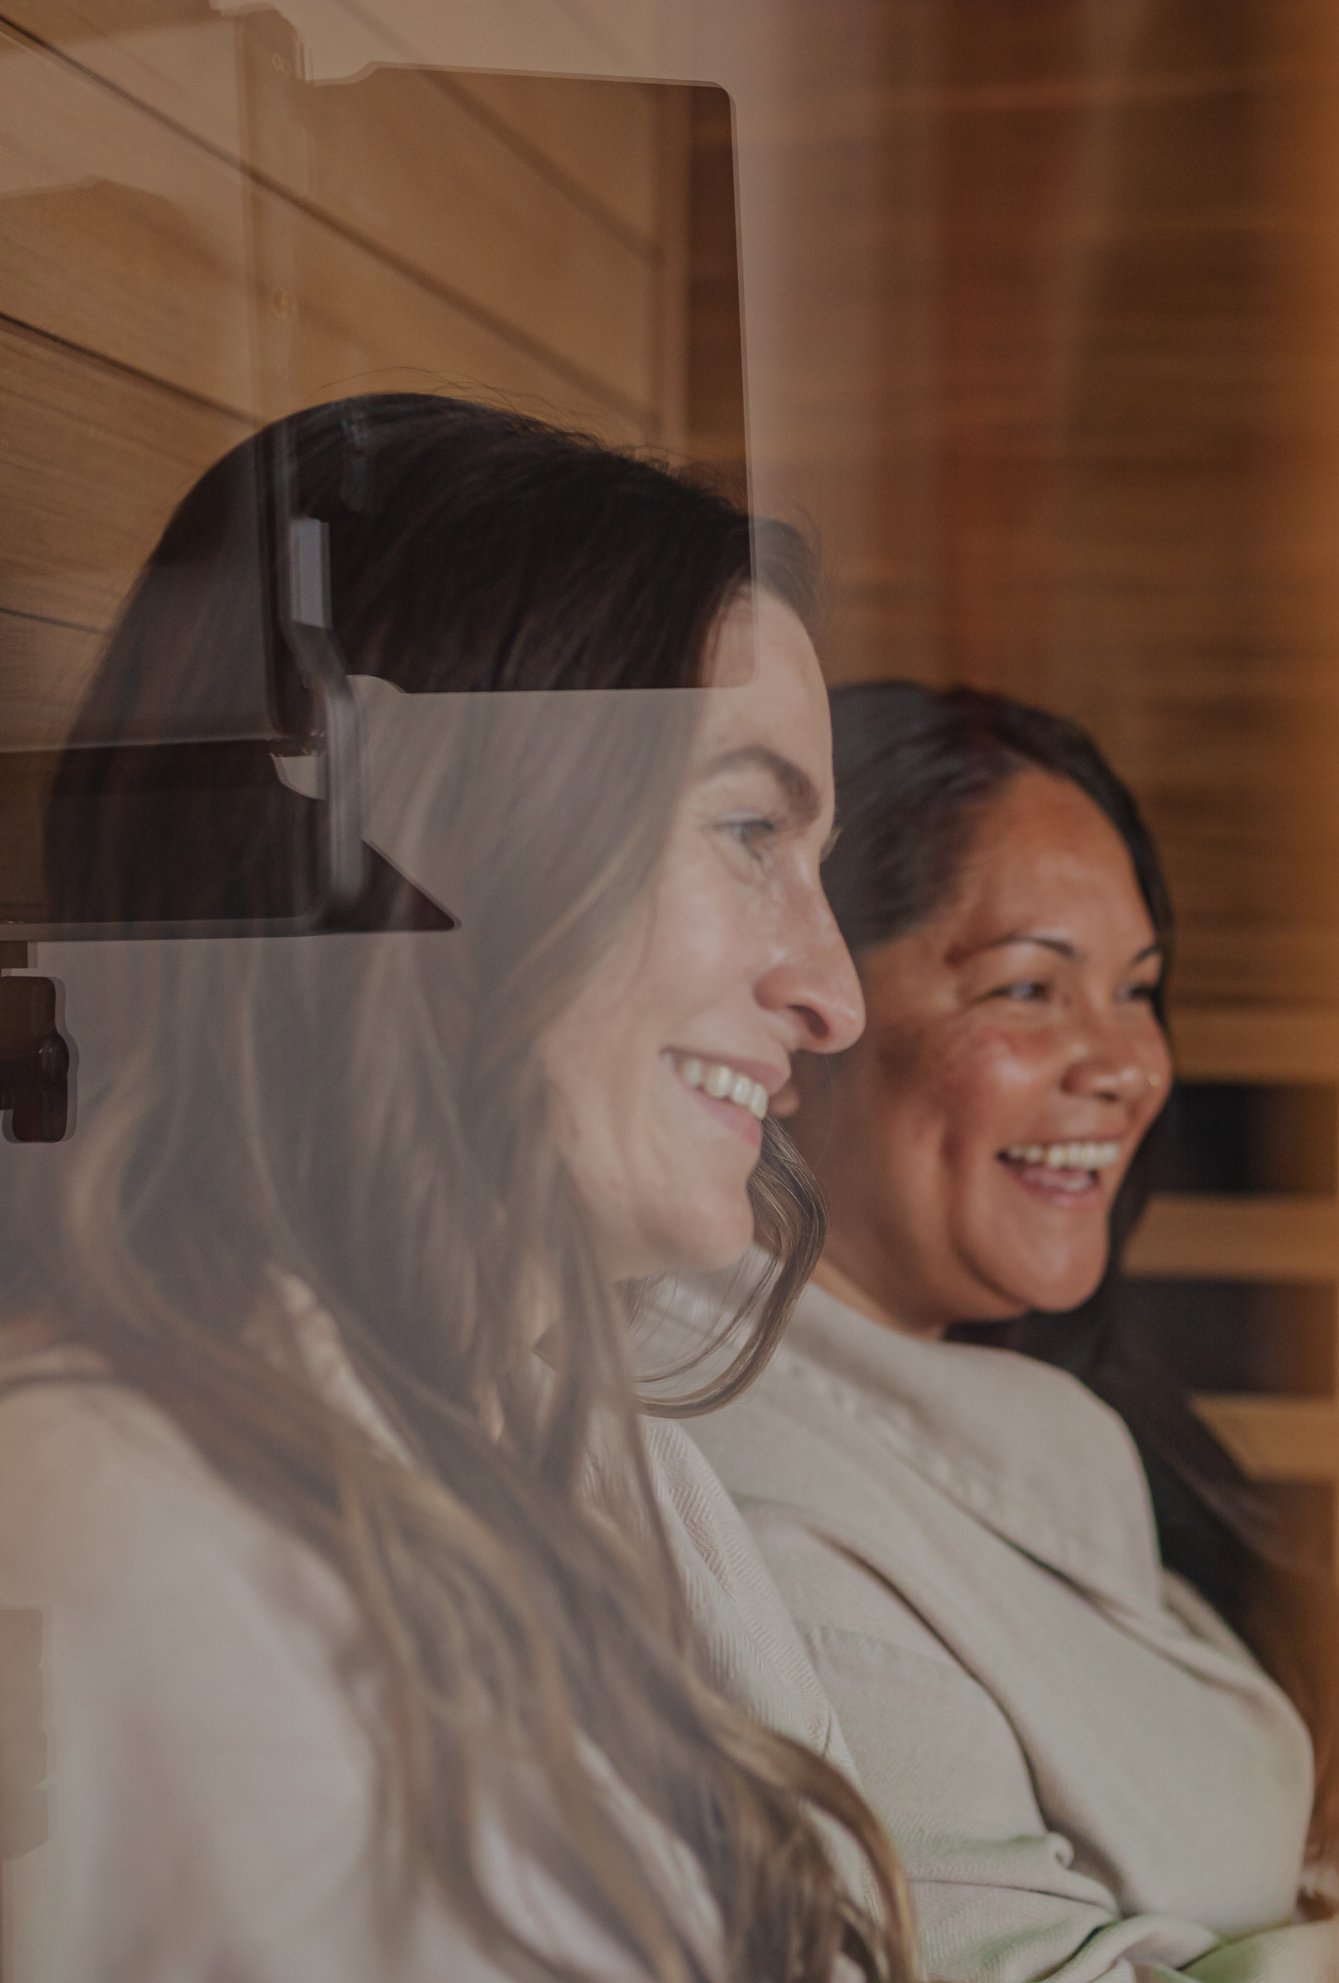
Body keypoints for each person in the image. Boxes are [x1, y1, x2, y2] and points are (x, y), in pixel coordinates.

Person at [0, 397, 917, 1983]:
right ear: (434, 844)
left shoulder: (598, 1458)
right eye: (748, 829)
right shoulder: (116, 1538)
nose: (835, 995)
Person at [647, 684, 1339, 1983]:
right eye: (1028, 988)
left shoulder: (1056, 1416)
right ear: (809, 1016)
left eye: (1138, 990)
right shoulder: (757, 1502)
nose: (1128, 1064)